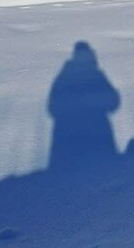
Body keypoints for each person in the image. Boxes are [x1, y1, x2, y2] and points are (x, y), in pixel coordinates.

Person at [48, 41, 120, 170]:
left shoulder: (64, 77)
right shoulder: (95, 76)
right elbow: (113, 102)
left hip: (75, 141)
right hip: (92, 138)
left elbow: (53, 108)